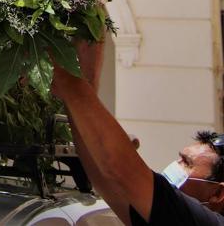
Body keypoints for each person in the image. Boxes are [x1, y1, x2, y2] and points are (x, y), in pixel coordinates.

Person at [51, 58, 224, 224]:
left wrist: (68, 77)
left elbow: (118, 168)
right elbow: (104, 179)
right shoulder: (167, 219)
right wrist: (78, 84)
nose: (176, 165)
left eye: (187, 163)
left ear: (218, 193)